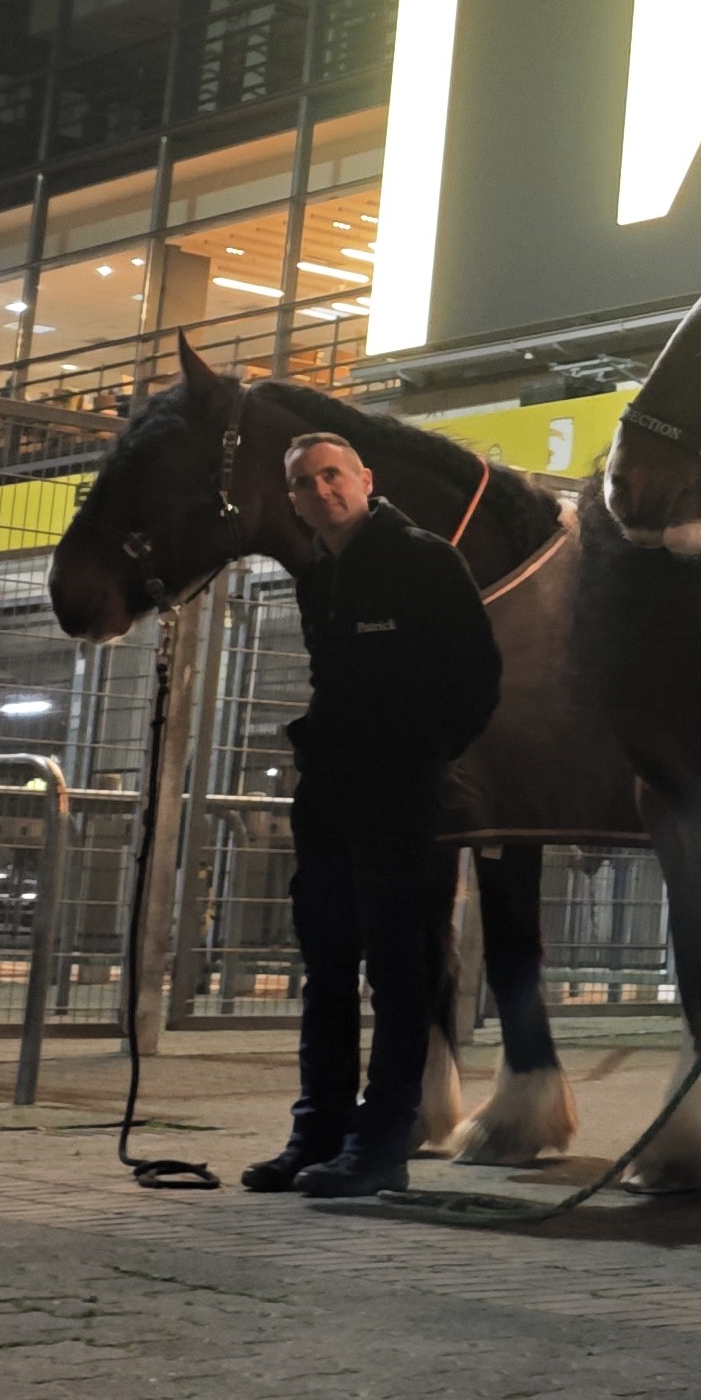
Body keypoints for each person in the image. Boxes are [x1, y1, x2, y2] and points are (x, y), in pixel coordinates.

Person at [248, 431, 504, 1199]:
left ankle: (382, 1142)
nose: (321, 491)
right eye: (304, 483)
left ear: (365, 479)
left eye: (333, 476)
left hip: (397, 793)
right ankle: (316, 1133)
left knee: (397, 969)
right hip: (328, 792)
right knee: (325, 968)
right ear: (292, 500)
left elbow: (477, 677)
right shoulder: (316, 574)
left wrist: (420, 759)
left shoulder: (423, 560)